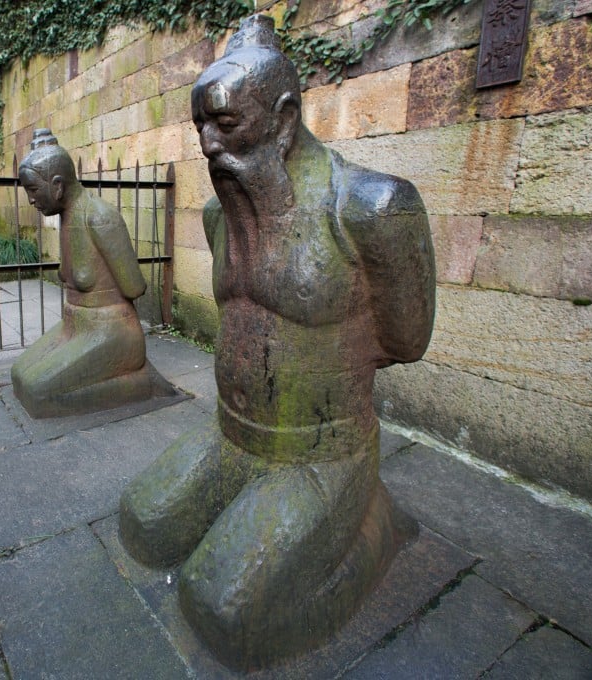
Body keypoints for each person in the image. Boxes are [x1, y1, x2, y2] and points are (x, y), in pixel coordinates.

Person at [119, 15, 435, 670]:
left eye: (226, 125)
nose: (207, 145)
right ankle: (261, 510)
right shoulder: (218, 214)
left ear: (284, 119)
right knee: (143, 525)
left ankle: (373, 517)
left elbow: (407, 340)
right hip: (232, 432)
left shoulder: (372, 209)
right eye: (200, 126)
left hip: (320, 454)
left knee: (221, 602)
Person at [10, 129, 151, 418]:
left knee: (37, 390)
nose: (31, 201)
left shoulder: (99, 216)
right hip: (75, 325)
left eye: (33, 190)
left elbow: (134, 287)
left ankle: (142, 383)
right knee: (19, 376)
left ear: (57, 185)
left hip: (111, 331)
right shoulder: (67, 216)